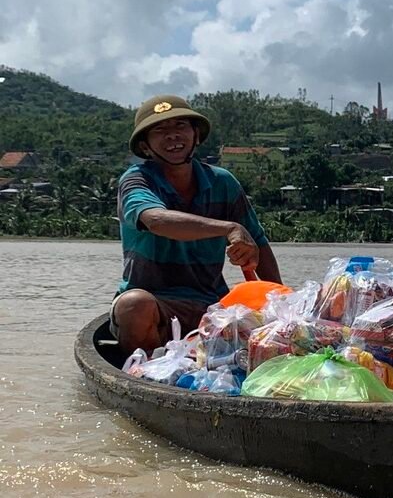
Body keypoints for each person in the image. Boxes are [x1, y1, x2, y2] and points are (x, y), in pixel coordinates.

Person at [111, 94, 282, 355]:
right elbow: (156, 219)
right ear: (145, 146)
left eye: (180, 126)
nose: (172, 135)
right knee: (134, 305)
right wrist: (228, 228)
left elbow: (258, 243)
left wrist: (281, 301)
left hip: (212, 306)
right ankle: (147, 369)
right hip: (156, 304)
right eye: (160, 130)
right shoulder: (136, 180)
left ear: (196, 136)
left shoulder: (223, 182)